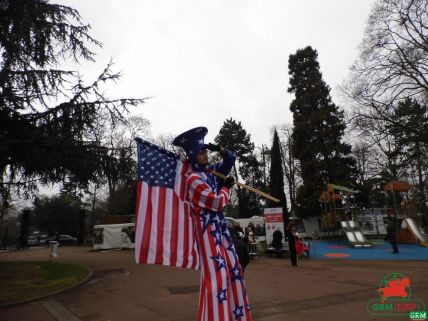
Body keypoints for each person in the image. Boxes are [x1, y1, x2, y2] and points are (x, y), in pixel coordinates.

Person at [173, 127, 252, 321]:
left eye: (206, 151)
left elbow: (231, 160)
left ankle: (235, 315)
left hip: (222, 231)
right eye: (201, 152)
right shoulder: (192, 179)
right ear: (193, 156)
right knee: (217, 278)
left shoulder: (211, 172)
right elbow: (217, 202)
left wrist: (221, 149)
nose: (206, 155)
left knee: (234, 269)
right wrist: (226, 187)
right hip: (207, 232)